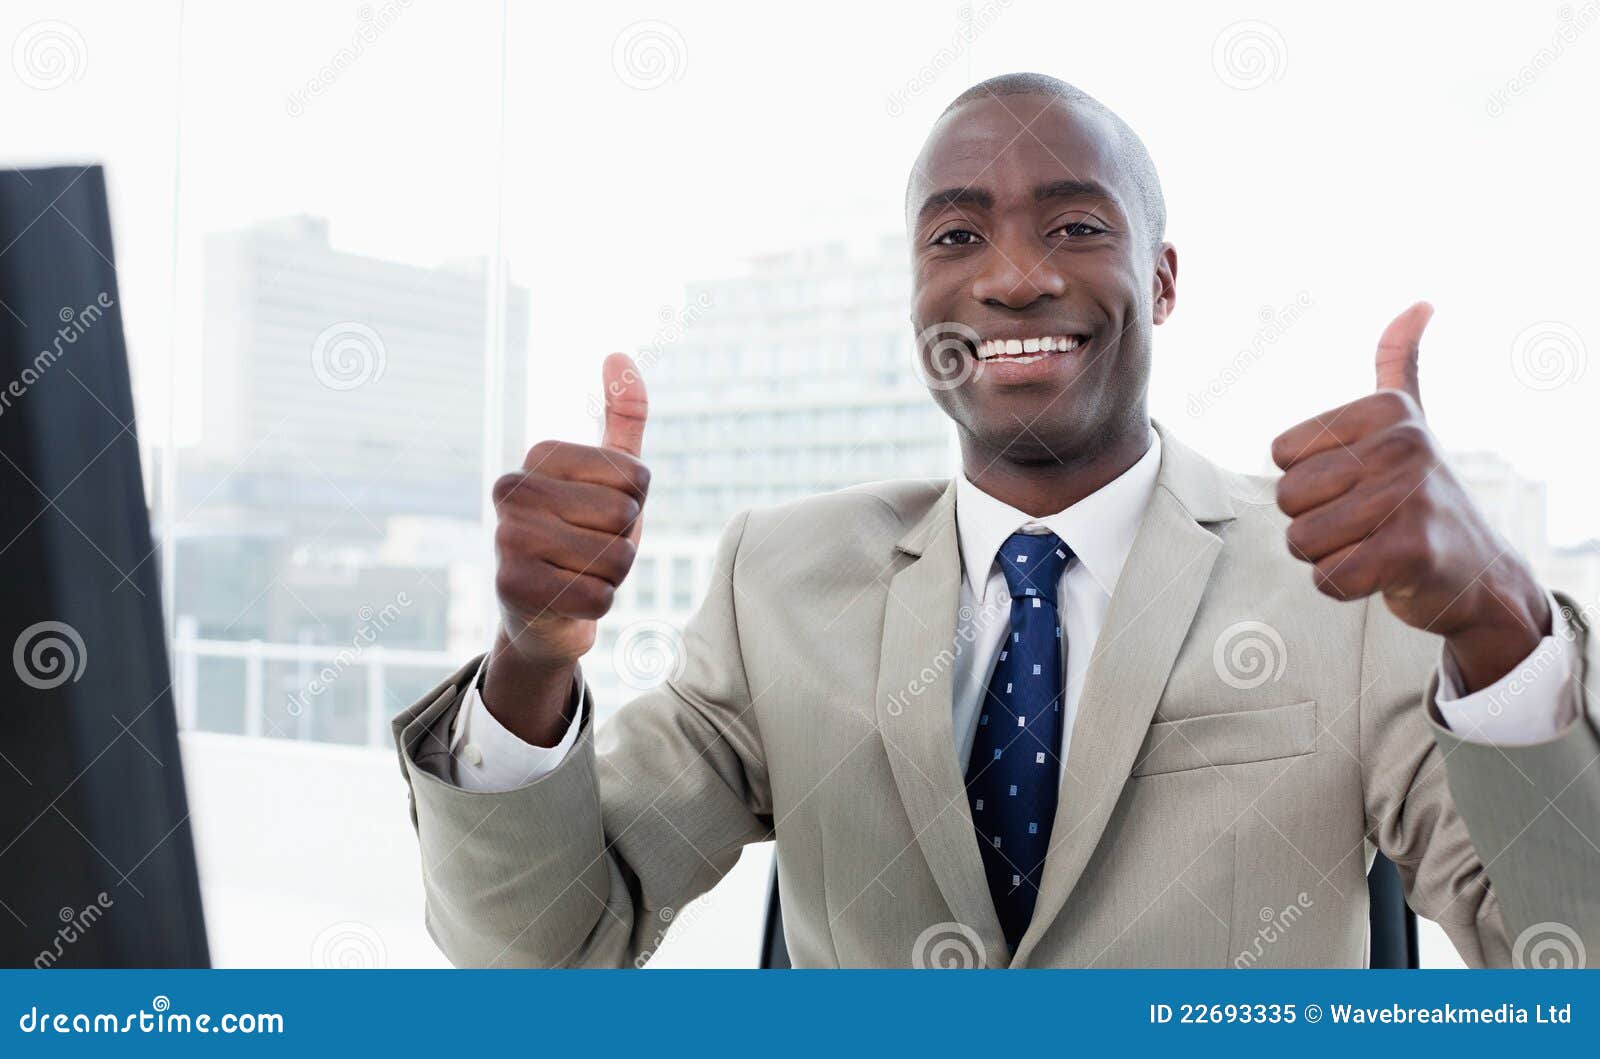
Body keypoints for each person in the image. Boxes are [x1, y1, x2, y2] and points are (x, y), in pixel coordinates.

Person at [393, 73, 1598, 968]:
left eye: (1075, 226)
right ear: (915, 294)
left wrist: (1496, 622)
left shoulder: (1335, 580)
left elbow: (1564, 968)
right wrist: (529, 663)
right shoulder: (780, 581)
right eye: (956, 236)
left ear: (1162, 280)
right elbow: (538, 955)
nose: (1014, 277)